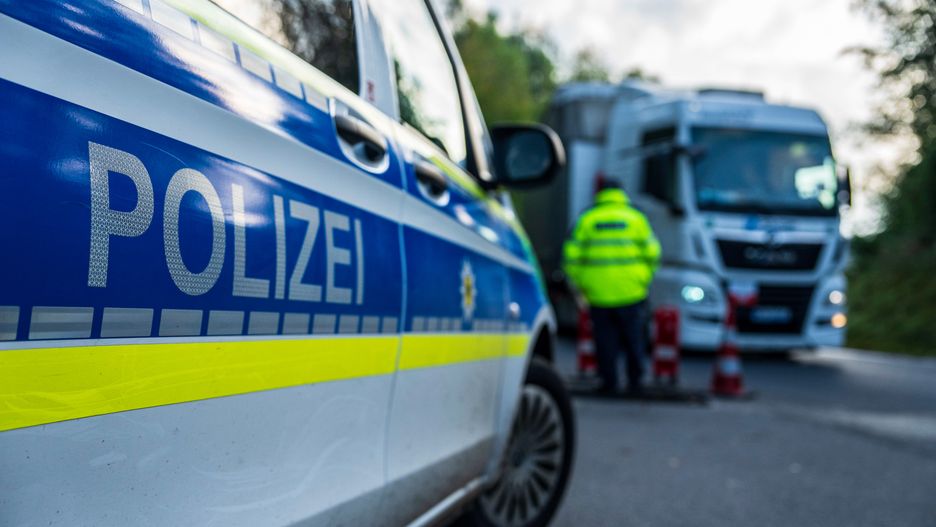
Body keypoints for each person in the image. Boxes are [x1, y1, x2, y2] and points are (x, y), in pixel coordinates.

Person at [563, 180, 661, 395]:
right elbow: (653, 252)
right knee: (634, 339)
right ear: (621, 193)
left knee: (605, 341)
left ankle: (609, 383)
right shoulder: (635, 218)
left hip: (598, 293)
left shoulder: (588, 218)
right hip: (631, 291)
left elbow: (571, 257)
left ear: (600, 194)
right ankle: (635, 383)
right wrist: (643, 278)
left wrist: (581, 284)